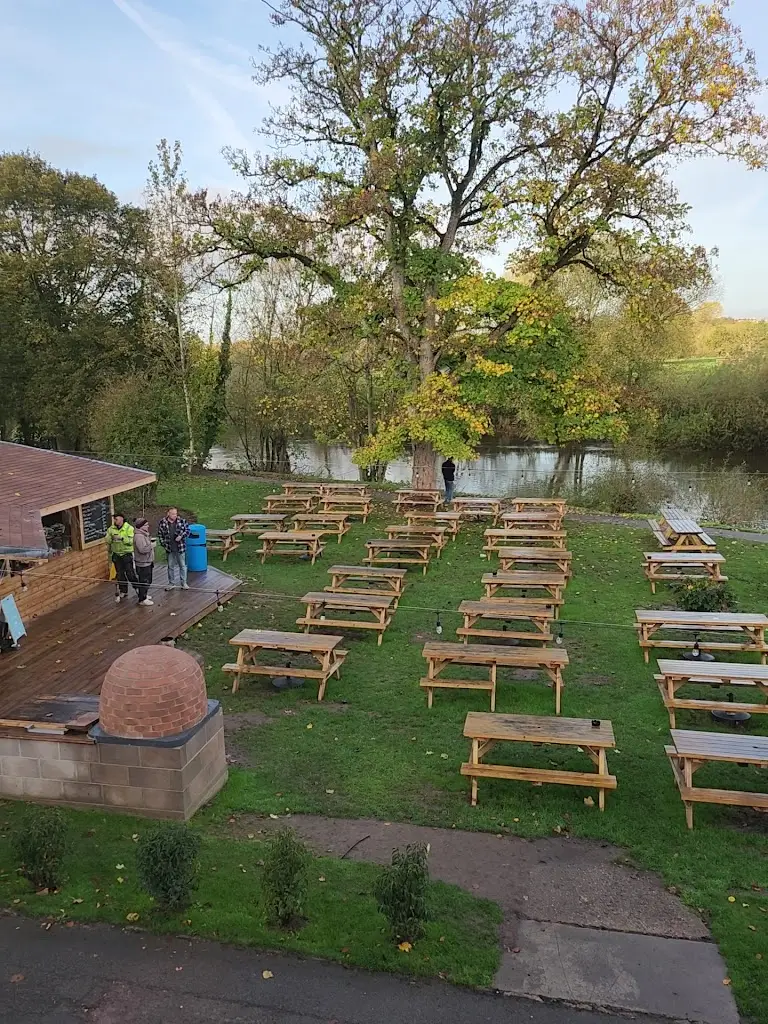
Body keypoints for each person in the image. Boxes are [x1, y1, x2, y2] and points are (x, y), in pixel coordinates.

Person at [105, 513, 138, 604]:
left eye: (116, 519)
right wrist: (111, 538)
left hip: (126, 554)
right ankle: (123, 591)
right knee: (120, 574)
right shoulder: (111, 529)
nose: (115, 521)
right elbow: (107, 540)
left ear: (122, 519)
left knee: (130, 573)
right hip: (116, 554)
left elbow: (131, 542)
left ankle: (137, 588)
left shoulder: (129, 528)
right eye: (114, 519)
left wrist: (122, 538)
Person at [157, 507, 192, 590]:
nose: (175, 515)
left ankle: (183, 583)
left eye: (176, 513)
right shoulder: (163, 522)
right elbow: (160, 534)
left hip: (180, 548)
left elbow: (188, 531)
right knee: (170, 566)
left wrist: (181, 536)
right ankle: (171, 583)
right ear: (168, 514)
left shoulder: (182, 521)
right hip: (169, 548)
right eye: (173, 514)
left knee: (182, 566)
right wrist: (163, 544)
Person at [133, 518, 155, 606]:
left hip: (148, 561)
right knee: (144, 581)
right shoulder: (139, 536)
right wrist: (151, 545)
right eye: (146, 525)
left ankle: (144, 594)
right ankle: (142, 599)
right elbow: (142, 549)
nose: (148, 526)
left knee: (148, 580)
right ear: (141, 526)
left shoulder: (145, 534)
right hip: (142, 563)